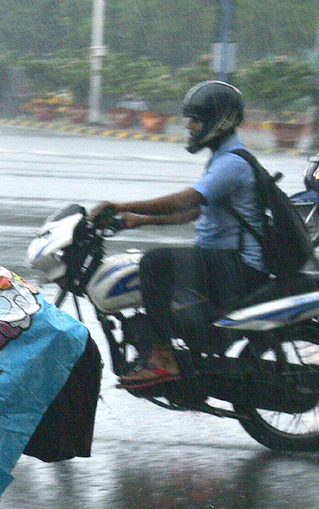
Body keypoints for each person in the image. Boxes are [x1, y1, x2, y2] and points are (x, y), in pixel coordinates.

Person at [90, 81, 268, 390]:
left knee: (154, 264)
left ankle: (163, 358)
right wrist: (137, 221)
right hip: (224, 259)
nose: (188, 126)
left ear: (218, 121)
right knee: (160, 266)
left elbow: (187, 200)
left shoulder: (232, 163)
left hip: (239, 265)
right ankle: (181, 346)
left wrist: (122, 205)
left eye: (195, 119)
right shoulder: (224, 157)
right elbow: (194, 213)